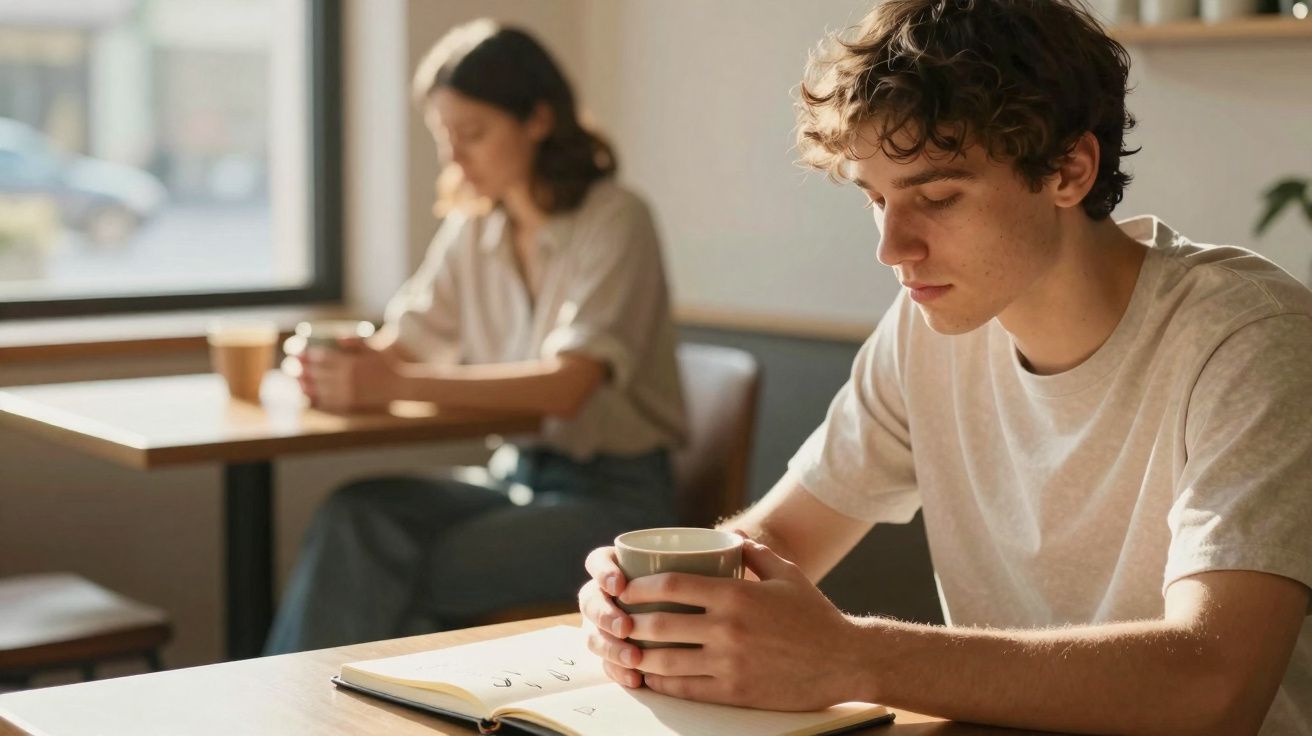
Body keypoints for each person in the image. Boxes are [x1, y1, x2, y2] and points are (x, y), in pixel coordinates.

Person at [577, 1, 1312, 733]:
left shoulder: (1247, 337)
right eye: (876, 199)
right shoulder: (927, 331)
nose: (891, 248)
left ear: (1069, 169)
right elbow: (783, 540)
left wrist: (853, 656)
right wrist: (653, 599)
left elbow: (1215, 685)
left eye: (935, 197)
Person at [265, 19, 686, 654]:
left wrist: (393, 382)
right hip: (513, 476)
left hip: (615, 499)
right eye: (444, 137)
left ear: (538, 119)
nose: (454, 158)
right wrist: (338, 365)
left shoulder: (616, 218)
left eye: (474, 134)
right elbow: (402, 344)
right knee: (355, 515)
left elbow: (568, 387)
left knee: (400, 567)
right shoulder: (474, 228)